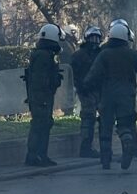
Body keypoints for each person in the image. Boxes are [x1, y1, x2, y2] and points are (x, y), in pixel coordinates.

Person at [84, 22, 137, 170]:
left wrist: (85, 86)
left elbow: (94, 74)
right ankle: (127, 142)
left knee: (105, 126)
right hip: (127, 96)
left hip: (107, 96)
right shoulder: (132, 54)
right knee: (124, 124)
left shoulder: (104, 54)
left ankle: (106, 160)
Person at [24, 24, 64, 167]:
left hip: (41, 96)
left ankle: (40, 155)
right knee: (40, 124)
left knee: (44, 124)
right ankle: (35, 156)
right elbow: (42, 79)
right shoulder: (44, 56)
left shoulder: (43, 54)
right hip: (41, 96)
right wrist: (54, 81)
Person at [71, 26, 103, 158]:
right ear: (87, 39)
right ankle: (85, 147)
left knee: (104, 118)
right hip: (85, 90)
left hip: (99, 90)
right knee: (88, 118)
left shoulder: (102, 54)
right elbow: (74, 73)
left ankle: (102, 146)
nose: (94, 41)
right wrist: (80, 87)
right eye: (92, 38)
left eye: (97, 38)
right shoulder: (79, 55)